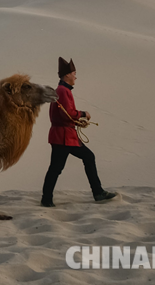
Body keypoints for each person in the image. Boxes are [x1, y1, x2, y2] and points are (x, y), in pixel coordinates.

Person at [40, 57, 117, 207]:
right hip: (64, 137)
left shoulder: (61, 90)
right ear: (67, 75)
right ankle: (98, 193)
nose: (76, 77)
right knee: (69, 163)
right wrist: (83, 114)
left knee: (57, 167)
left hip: (63, 135)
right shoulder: (63, 91)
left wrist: (76, 120)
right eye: (74, 73)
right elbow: (67, 113)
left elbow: (64, 115)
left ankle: (47, 198)